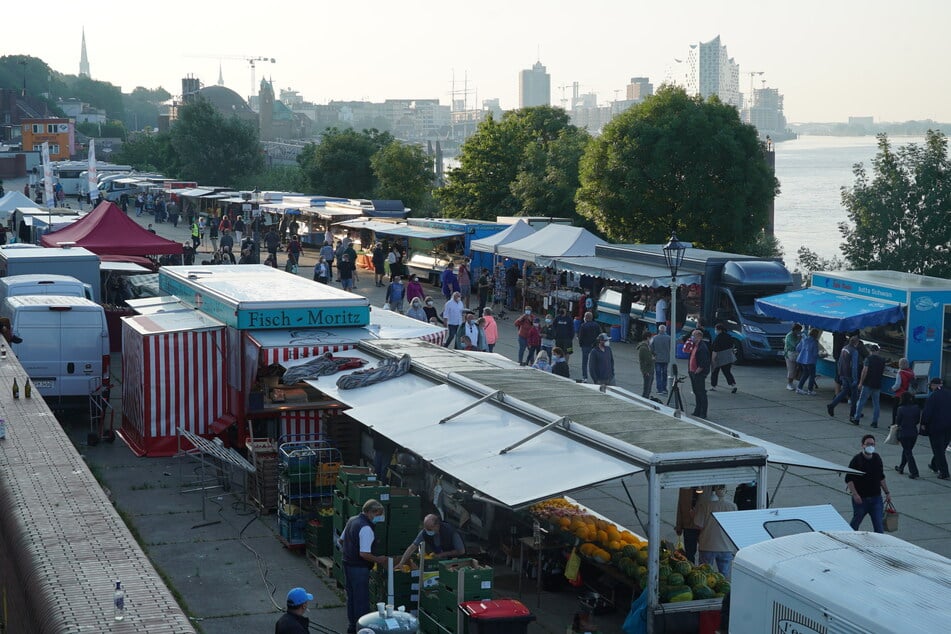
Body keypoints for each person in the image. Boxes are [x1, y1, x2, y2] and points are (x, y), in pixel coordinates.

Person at [340, 500, 390, 634]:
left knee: (352, 599)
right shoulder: (366, 528)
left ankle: (352, 627)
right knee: (361, 601)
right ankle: (363, 630)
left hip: (347, 564)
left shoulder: (352, 520)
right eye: (378, 514)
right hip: (359, 568)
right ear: (370, 512)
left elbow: (341, 540)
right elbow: (364, 553)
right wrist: (378, 559)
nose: (379, 518)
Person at [845, 434, 891, 532]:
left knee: (879, 527)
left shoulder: (877, 458)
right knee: (855, 524)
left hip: (876, 499)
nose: (871, 446)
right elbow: (849, 479)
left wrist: (887, 493)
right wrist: (855, 494)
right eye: (868, 444)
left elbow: (881, 477)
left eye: (873, 444)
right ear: (863, 445)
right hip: (861, 500)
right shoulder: (857, 460)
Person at [694, 485, 738, 578]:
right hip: (726, 546)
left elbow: (698, 524)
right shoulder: (732, 506)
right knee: (724, 577)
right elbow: (735, 526)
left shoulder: (705, 506)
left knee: (704, 575)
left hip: (707, 544)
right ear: (726, 491)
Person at [397, 514, 465, 567]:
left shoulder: (450, 532)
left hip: (453, 562)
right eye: (426, 528)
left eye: (430, 529)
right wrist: (401, 563)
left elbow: (461, 551)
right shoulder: (424, 533)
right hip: (436, 563)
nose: (427, 531)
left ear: (437, 525)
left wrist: (442, 554)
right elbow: (412, 547)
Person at [922, 377, 951, 480]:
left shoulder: (933, 396)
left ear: (934, 385)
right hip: (949, 426)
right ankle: (934, 464)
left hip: (936, 427)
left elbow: (927, 412)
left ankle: (944, 472)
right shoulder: (948, 393)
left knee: (938, 449)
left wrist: (924, 424)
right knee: (942, 447)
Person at [828, 336, 861, 420]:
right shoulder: (854, 351)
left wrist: (839, 372)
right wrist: (855, 379)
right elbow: (854, 366)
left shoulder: (844, 348)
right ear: (856, 343)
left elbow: (839, 361)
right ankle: (852, 414)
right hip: (850, 375)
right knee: (854, 395)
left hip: (843, 373)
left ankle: (832, 405)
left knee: (844, 391)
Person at [853, 344, 886, 427]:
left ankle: (856, 419)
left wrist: (860, 382)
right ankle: (875, 422)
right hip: (877, 384)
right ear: (878, 351)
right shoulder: (882, 360)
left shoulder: (868, 359)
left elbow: (864, 371)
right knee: (876, 404)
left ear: (871, 351)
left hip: (867, 383)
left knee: (861, 401)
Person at [674, 487, 707, 565]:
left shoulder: (707, 486)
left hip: (703, 526)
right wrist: (679, 525)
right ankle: (691, 570)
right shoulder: (684, 488)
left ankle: (700, 570)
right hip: (689, 525)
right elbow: (680, 505)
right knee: (689, 554)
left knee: (704, 554)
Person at [683, 329, 711, 418]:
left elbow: (703, 362)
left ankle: (703, 412)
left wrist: (697, 371)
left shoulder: (702, 347)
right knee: (696, 392)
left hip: (698, 373)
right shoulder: (694, 345)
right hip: (692, 371)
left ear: (699, 336)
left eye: (693, 336)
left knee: (701, 392)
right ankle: (697, 410)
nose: (692, 337)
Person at [893, 391, 921, 479]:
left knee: (908, 452)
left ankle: (914, 472)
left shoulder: (900, 409)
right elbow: (917, 421)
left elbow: (898, 422)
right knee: (907, 450)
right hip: (913, 433)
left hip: (904, 433)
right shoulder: (916, 408)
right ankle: (901, 467)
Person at [709, 323, 737, 394]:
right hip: (728, 357)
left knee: (714, 372)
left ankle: (713, 386)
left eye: (716, 329)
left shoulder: (718, 339)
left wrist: (712, 360)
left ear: (719, 330)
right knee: (727, 372)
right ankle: (733, 385)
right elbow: (732, 347)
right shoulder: (729, 336)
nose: (715, 331)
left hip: (719, 357)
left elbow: (714, 350)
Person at [795, 328, 821, 395]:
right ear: (816, 335)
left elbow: (798, 348)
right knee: (812, 375)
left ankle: (799, 388)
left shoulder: (803, 339)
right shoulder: (814, 342)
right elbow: (815, 354)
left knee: (805, 374)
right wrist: (821, 355)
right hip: (810, 361)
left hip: (802, 360)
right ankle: (810, 390)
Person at [577, 312, 601, 382]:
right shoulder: (596, 325)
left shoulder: (583, 325)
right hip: (594, 346)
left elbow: (580, 337)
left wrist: (580, 344)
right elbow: (599, 335)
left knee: (584, 362)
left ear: (586, 317)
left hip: (585, 345)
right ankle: (597, 378)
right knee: (595, 363)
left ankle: (585, 377)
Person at [891, 358, 915, 425]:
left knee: (896, 410)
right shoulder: (912, 372)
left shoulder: (900, 373)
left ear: (901, 364)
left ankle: (894, 424)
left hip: (899, 395)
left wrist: (892, 389)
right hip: (909, 394)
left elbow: (898, 385)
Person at [784, 324, 803, 390]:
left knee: (796, 369)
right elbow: (795, 345)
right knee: (791, 370)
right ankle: (789, 384)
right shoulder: (790, 336)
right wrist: (799, 339)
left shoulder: (795, 335)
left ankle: (793, 382)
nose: (800, 332)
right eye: (799, 330)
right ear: (795, 330)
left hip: (795, 354)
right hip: (790, 354)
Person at [636, 331, 654, 398]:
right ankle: (644, 400)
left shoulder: (647, 346)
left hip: (649, 370)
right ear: (647, 338)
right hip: (647, 371)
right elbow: (649, 360)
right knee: (647, 389)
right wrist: (653, 358)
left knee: (648, 388)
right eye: (651, 338)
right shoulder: (643, 348)